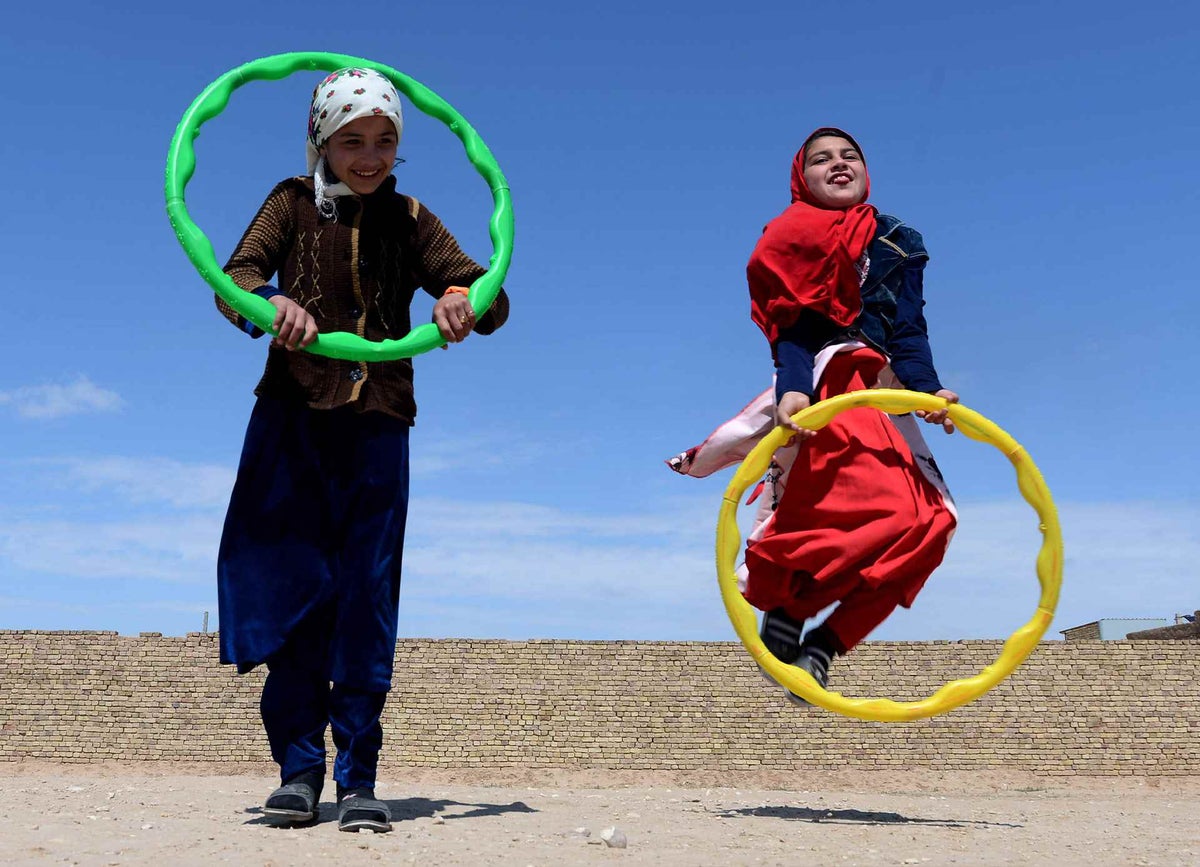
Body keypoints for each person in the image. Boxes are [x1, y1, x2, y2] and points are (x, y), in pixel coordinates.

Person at [213, 67, 510, 831]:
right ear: (321, 139)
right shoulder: (288, 201)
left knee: (365, 592)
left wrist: (459, 300)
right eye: (352, 140)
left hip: (379, 421)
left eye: (385, 142)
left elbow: (490, 292)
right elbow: (234, 277)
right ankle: (298, 769)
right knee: (293, 584)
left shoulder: (410, 218)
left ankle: (359, 776)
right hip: (290, 417)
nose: (370, 156)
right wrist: (269, 301)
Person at [668, 127, 956, 705]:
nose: (839, 163)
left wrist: (928, 389)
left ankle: (818, 643)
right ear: (803, 177)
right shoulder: (791, 235)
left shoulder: (899, 239)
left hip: (878, 388)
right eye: (822, 159)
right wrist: (794, 392)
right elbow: (793, 330)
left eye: (850, 155)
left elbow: (908, 330)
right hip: (829, 380)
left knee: (931, 524)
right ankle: (790, 607)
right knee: (871, 508)